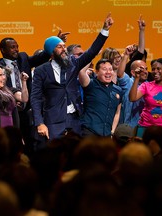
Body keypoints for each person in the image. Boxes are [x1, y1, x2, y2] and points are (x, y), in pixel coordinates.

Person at [31, 13, 113, 145]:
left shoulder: (73, 63)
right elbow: (35, 98)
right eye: (59, 47)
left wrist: (105, 30)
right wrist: (39, 123)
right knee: (55, 156)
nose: (64, 49)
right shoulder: (41, 71)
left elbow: (92, 51)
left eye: (64, 46)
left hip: (75, 120)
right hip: (53, 121)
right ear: (51, 52)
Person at [129, 58, 162, 140]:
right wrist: (136, 78)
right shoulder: (146, 86)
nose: (155, 71)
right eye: (153, 69)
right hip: (145, 127)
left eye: (158, 69)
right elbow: (132, 98)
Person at [79, 58, 123, 137]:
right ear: (97, 72)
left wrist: (112, 131)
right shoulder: (91, 84)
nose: (108, 72)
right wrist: (93, 54)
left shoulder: (118, 90)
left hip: (107, 135)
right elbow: (81, 72)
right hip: (89, 132)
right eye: (104, 69)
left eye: (110, 69)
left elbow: (117, 112)